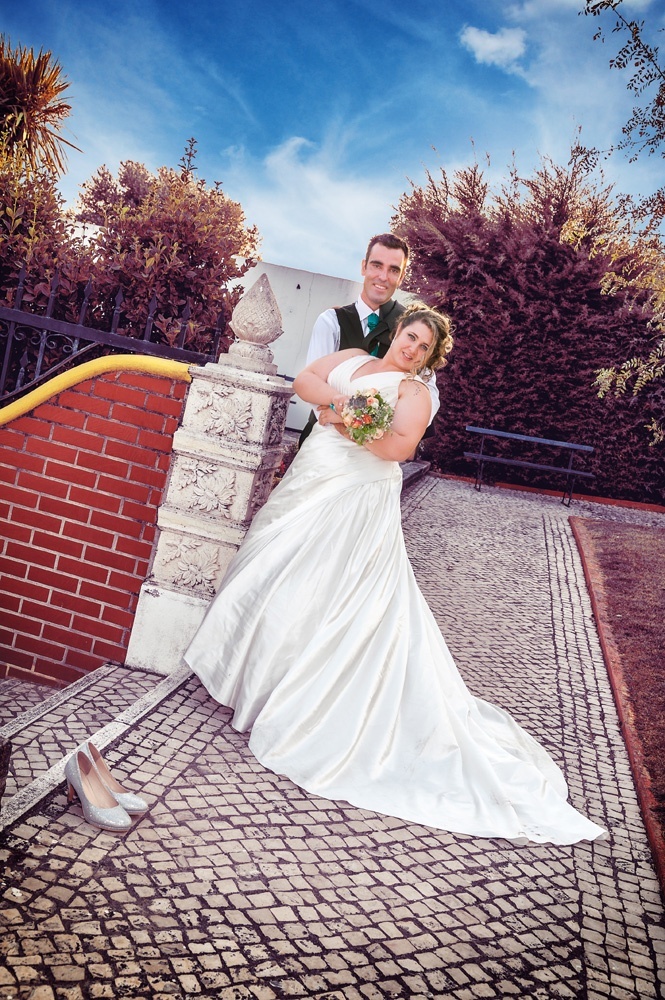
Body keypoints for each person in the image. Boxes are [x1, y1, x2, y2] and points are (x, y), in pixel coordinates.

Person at [184, 304, 607, 846]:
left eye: (424, 348)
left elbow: (399, 448)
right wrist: (339, 404)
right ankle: (254, 682)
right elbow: (306, 380)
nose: (412, 349)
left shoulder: (414, 393)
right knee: (272, 571)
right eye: (411, 337)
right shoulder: (353, 357)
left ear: (429, 358)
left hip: (355, 496)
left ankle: (297, 702)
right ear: (397, 331)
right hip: (309, 482)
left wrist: (342, 421)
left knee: (325, 590)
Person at [298, 233, 439, 448]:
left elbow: (427, 401)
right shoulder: (331, 321)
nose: (383, 276)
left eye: (393, 270)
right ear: (364, 267)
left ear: (401, 277)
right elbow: (313, 387)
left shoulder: (413, 331)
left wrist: (382, 432)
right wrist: (338, 424)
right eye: (376, 265)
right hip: (323, 440)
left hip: (378, 450)